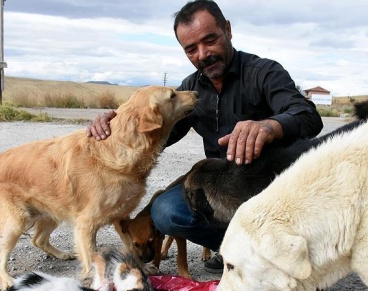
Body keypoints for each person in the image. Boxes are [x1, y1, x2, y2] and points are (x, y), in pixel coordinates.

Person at [87, 0, 323, 273]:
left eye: (210, 40)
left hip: (269, 187)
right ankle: (236, 250)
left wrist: (269, 127)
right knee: (165, 211)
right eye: (191, 49)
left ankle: (278, 251)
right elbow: (158, 133)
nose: (203, 54)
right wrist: (114, 128)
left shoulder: (264, 73)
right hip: (219, 189)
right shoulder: (189, 90)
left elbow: (308, 116)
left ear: (228, 30)